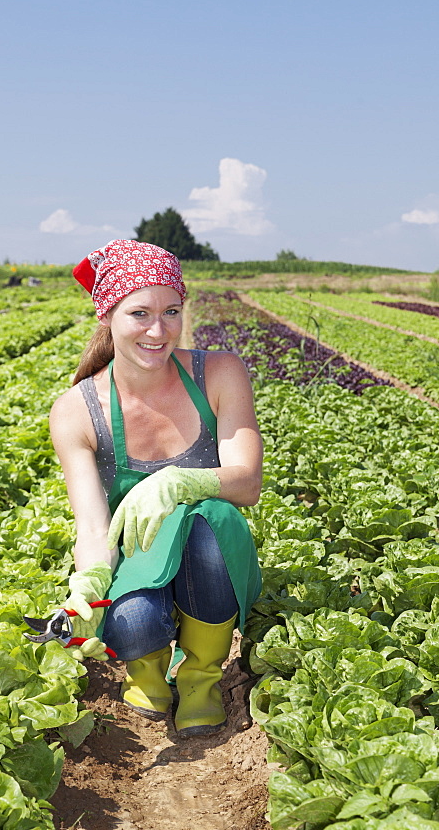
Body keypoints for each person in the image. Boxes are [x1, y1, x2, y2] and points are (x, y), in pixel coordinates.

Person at [49, 239, 262, 738]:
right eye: (139, 313)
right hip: (135, 556)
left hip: (209, 553)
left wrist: (178, 481)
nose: (158, 330)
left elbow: (247, 482)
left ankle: (201, 682)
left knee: (213, 521)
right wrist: (87, 589)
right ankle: (147, 674)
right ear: (108, 316)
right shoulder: (78, 410)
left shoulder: (219, 373)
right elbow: (93, 525)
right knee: (133, 623)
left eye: (171, 311)